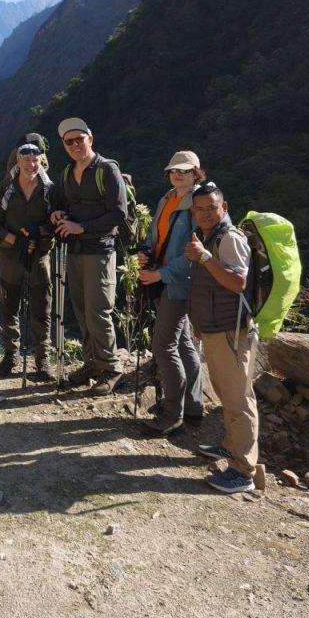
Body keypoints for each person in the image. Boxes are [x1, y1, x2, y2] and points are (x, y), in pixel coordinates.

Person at [185, 182, 259, 494]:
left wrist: (203, 258)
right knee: (227, 394)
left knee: (238, 400)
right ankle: (231, 448)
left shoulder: (229, 237)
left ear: (224, 208)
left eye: (211, 208)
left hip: (232, 331)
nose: (205, 214)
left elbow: (237, 282)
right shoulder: (208, 237)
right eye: (199, 209)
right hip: (216, 328)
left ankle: (243, 471)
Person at [50, 118, 128, 395]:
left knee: (98, 311)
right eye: (68, 142)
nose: (74, 145)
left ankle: (111, 368)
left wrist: (81, 227)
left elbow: (119, 213)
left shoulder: (107, 170)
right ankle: (91, 364)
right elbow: (60, 203)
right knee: (82, 311)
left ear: (90, 139)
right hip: (75, 250)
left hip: (100, 251)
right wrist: (57, 214)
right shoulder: (66, 173)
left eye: (79, 140)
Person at [137, 150, 205, 436]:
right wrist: (145, 252)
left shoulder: (198, 205)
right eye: (175, 170)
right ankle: (193, 407)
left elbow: (192, 255)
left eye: (185, 171)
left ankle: (171, 415)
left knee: (163, 346)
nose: (178, 174)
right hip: (165, 280)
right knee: (184, 344)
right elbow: (154, 233)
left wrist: (158, 274)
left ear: (196, 173)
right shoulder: (168, 199)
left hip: (179, 284)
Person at [0, 141, 55, 381]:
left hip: (40, 257)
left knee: (41, 308)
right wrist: (16, 241)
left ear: (41, 161)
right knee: (9, 307)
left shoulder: (49, 189)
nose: (31, 164)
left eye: (35, 160)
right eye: (26, 160)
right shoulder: (6, 188)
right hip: (10, 257)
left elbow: (58, 218)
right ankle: (10, 354)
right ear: (18, 162)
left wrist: (41, 232)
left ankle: (42, 359)